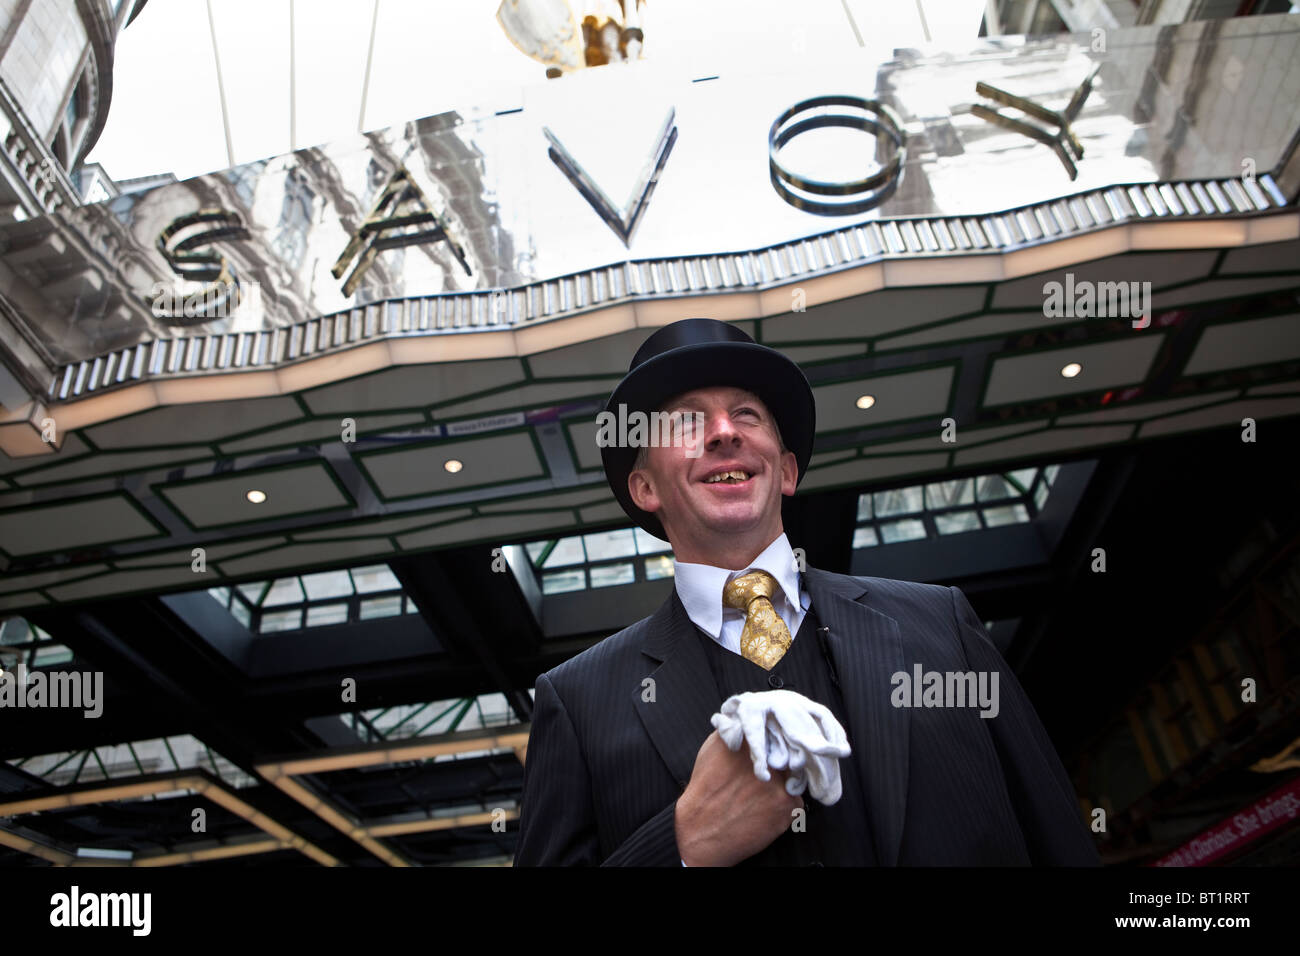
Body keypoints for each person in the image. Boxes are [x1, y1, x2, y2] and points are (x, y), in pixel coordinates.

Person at [513, 318, 1100, 866]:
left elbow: (1054, 833)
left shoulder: (941, 625)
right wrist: (683, 844)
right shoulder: (577, 702)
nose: (723, 433)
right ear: (644, 487)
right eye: (687, 422)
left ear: (787, 470)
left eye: (746, 415)